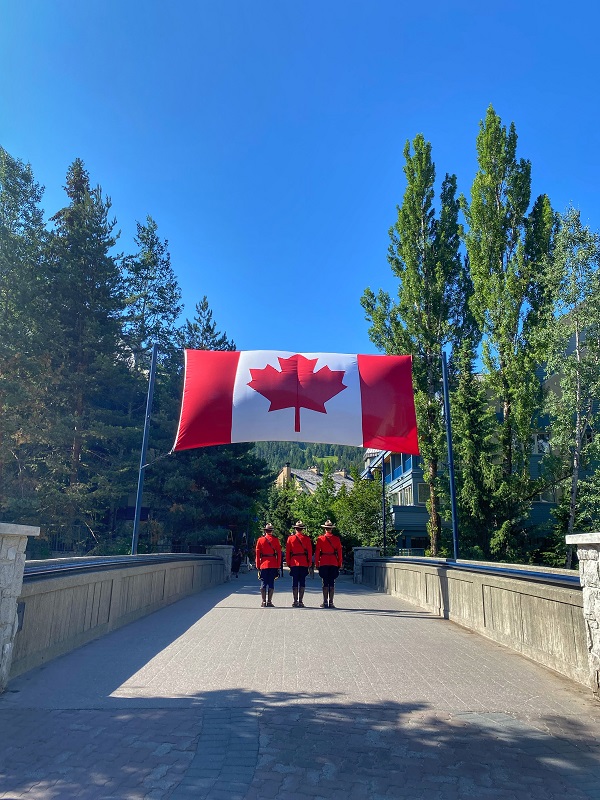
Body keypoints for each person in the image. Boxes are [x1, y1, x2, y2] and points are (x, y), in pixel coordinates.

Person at [315, 519, 343, 608]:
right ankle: (331, 602)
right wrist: (340, 563)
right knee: (332, 582)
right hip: (334, 562)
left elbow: (317, 552)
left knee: (325, 582)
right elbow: (339, 552)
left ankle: (325, 602)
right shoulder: (336, 539)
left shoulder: (320, 539)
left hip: (323, 561)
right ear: (331, 529)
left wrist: (317, 563)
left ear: (325, 529)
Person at [285, 520, 313, 608]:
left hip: (294, 562)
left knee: (294, 581)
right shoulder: (307, 539)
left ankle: (295, 601)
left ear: (295, 529)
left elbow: (288, 552)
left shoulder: (290, 538)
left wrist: (289, 562)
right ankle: (301, 601)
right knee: (302, 582)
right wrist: (309, 562)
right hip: (304, 562)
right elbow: (309, 552)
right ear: (302, 529)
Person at [255, 523, 282, 607]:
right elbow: (279, 554)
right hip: (273, 563)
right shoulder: (276, 540)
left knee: (263, 582)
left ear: (265, 531)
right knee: (271, 582)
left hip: (263, 563)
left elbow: (257, 554)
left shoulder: (260, 540)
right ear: (272, 531)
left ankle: (263, 602)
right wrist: (278, 565)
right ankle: (269, 601)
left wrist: (257, 565)